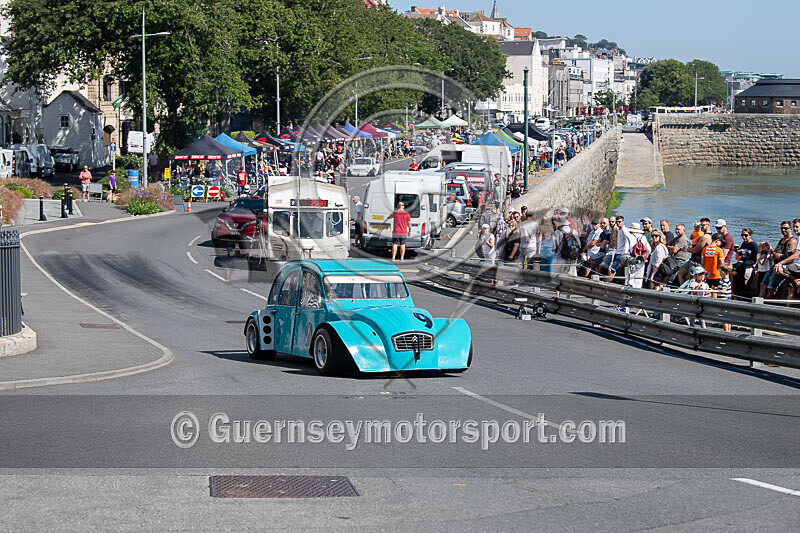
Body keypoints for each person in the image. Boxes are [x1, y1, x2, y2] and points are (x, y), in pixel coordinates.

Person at [759, 221, 797, 299]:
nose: (783, 230)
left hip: (782, 267)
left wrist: (778, 256)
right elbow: (775, 252)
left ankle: (768, 306)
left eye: (785, 228)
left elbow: (789, 256)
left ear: (790, 229)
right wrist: (774, 254)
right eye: (782, 228)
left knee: (771, 288)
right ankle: (758, 305)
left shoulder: (792, 241)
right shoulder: (781, 240)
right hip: (774, 265)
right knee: (763, 285)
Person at [733, 228, 758, 298]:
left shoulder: (753, 245)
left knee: (746, 283)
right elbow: (741, 253)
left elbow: (758, 255)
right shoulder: (744, 243)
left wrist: (756, 267)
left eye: (746, 235)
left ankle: (744, 297)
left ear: (750, 235)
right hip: (742, 265)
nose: (743, 237)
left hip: (749, 266)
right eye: (742, 235)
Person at [718, 262, 733, 331]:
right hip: (725, 300)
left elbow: (723, 290)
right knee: (727, 317)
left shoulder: (725, 281)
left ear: (723, 272)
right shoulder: (723, 280)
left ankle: (726, 331)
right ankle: (728, 331)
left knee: (725, 318)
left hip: (724, 301)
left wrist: (716, 291)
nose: (719, 273)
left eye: (720, 271)